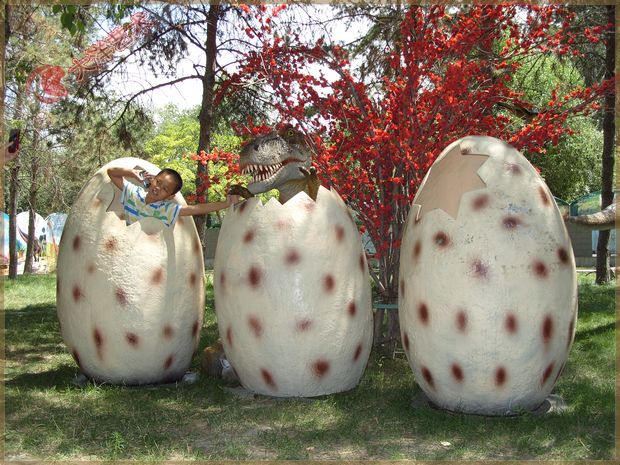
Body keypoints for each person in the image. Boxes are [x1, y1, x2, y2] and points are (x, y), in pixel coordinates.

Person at [107, 166, 237, 228]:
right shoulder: (134, 193)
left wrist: (225, 204)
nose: (158, 188)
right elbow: (111, 173)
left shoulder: (167, 209)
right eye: (158, 182)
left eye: (165, 189)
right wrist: (132, 172)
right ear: (152, 179)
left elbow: (196, 209)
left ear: (170, 196)